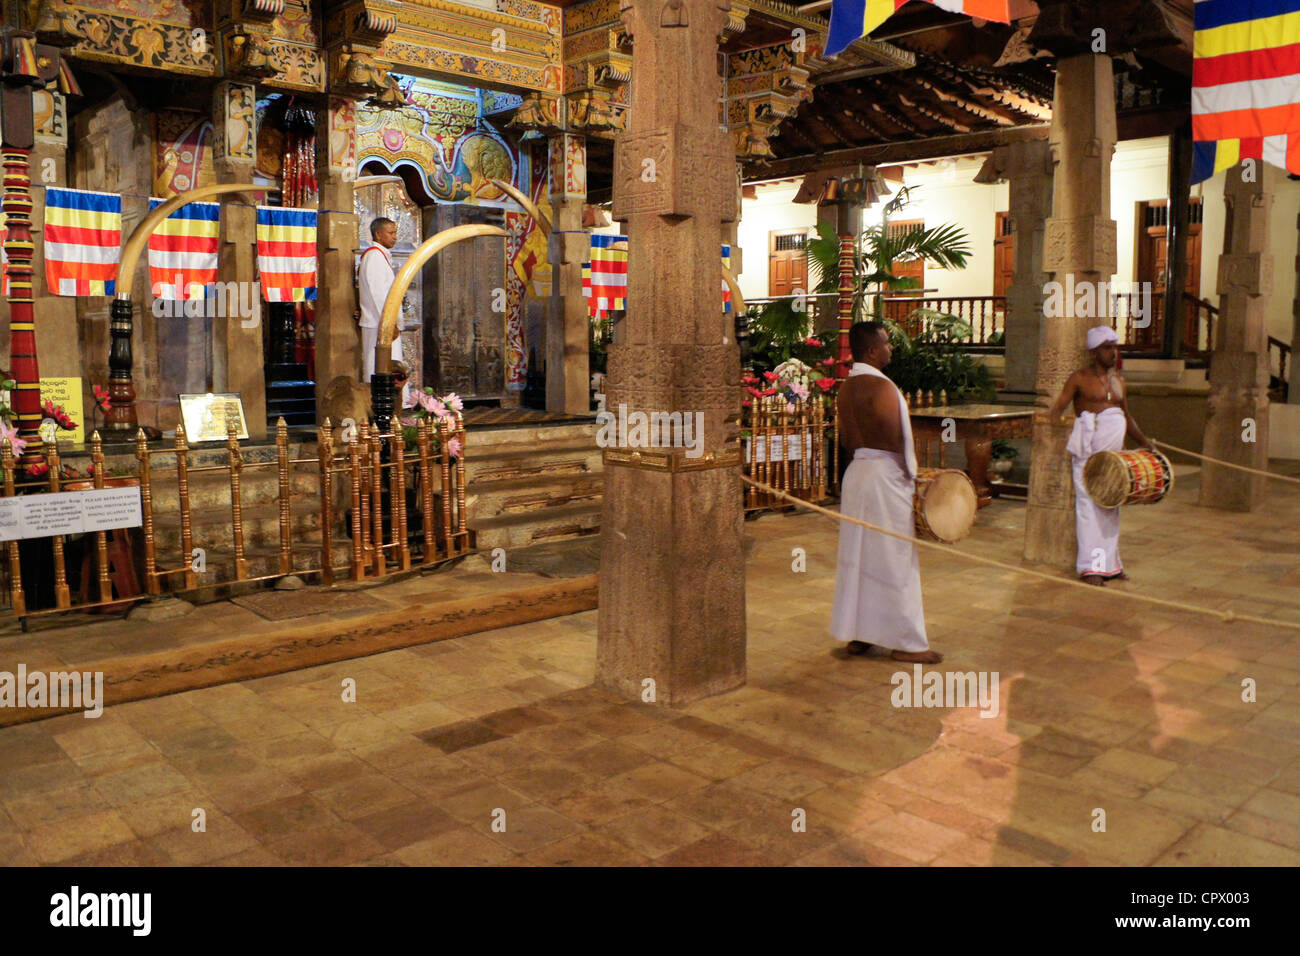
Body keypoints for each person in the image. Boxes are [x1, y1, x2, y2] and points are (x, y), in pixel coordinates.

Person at [830, 321, 943, 664]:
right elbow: (897, 438)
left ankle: (860, 634)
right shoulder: (882, 388)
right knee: (895, 557)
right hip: (884, 476)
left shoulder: (845, 389)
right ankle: (907, 642)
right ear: (871, 351)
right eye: (886, 343)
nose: (890, 348)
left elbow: (850, 439)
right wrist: (912, 476)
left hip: (858, 474)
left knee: (859, 555)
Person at [1046, 325, 1154, 586]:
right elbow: (1057, 409)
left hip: (1113, 459)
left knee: (1111, 507)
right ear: (1094, 352)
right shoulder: (1079, 378)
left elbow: (1127, 417)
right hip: (1089, 457)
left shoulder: (1119, 382)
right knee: (1089, 509)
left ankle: (1111, 566)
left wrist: (1145, 443)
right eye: (1107, 348)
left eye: (1114, 347)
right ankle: (1090, 568)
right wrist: (1073, 429)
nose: (1112, 352)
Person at [357, 216, 403, 382]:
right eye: (391, 233)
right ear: (378, 234)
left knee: (390, 365)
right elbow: (378, 294)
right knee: (378, 365)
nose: (395, 237)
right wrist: (388, 323)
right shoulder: (374, 257)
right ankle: (380, 404)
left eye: (395, 233)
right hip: (379, 323)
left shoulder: (380, 256)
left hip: (382, 322)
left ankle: (394, 403)